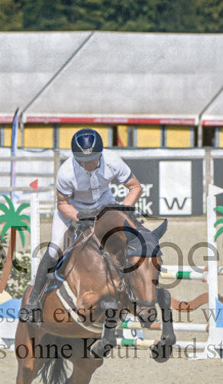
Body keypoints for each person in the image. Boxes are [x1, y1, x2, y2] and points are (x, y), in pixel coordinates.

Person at [22, 128, 143, 324]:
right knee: (54, 248)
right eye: (83, 160)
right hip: (73, 208)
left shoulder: (112, 161)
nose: (88, 164)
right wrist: (79, 216)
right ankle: (33, 301)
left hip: (104, 202)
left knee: (126, 239)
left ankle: (135, 286)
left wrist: (121, 210)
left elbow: (135, 187)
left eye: (93, 158)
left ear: (100, 154)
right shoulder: (66, 172)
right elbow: (63, 203)